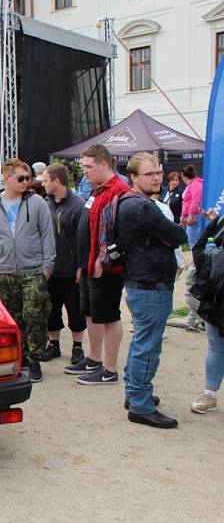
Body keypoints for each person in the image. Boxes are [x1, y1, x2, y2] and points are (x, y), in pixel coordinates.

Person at [115, 153, 188, 428]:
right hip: (149, 284)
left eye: (158, 172)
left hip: (142, 281)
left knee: (142, 343)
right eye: (150, 174)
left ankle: (135, 395)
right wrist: (171, 235)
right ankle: (141, 405)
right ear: (133, 177)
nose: (157, 177)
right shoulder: (142, 207)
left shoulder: (130, 201)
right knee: (148, 346)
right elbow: (179, 236)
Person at [0, 158, 55, 382]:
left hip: (33, 270)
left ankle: (35, 359)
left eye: (28, 178)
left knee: (35, 315)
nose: (25, 182)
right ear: (6, 178)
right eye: (21, 178)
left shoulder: (37, 203)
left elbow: (47, 234)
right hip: (4, 273)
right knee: (13, 318)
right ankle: (20, 356)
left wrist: (47, 267)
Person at [64, 144, 131, 385]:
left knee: (109, 316)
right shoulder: (97, 189)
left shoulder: (119, 190)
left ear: (104, 164)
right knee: (91, 314)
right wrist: (84, 263)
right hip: (90, 264)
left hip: (107, 268)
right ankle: (94, 359)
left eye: (88, 167)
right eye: (83, 167)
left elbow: (118, 232)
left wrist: (102, 260)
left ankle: (110, 370)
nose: (84, 172)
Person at [41, 164, 87, 364]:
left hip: (71, 269)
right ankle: (54, 345)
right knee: (51, 309)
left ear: (56, 181)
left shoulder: (78, 205)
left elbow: (83, 237)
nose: (42, 184)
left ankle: (77, 348)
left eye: (45, 180)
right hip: (50, 269)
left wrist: (80, 266)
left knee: (75, 310)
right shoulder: (46, 204)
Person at [189, 210, 224, 414]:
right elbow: (199, 246)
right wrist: (210, 270)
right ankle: (209, 394)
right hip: (218, 293)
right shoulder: (221, 220)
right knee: (215, 344)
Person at [180, 164, 204, 246]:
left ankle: (197, 258)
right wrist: (183, 215)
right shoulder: (191, 185)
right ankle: (196, 258)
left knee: (194, 241)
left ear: (183, 176)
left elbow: (196, 200)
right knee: (192, 241)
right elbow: (187, 202)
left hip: (195, 216)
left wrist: (190, 214)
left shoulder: (196, 184)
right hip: (191, 216)